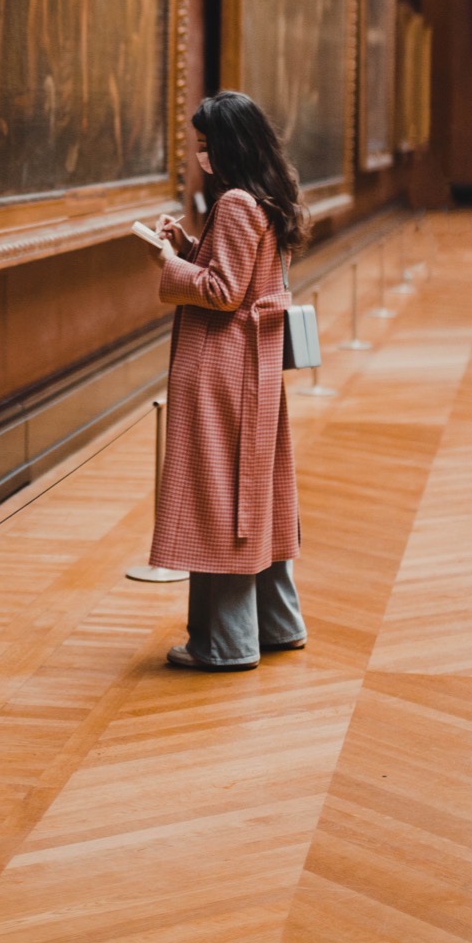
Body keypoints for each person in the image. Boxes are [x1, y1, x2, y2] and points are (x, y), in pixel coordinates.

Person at [145, 90, 311, 671]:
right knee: (254, 492)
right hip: (253, 365)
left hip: (223, 366)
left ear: (230, 146)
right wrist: (187, 246)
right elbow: (236, 269)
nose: (202, 157)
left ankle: (225, 642)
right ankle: (276, 624)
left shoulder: (237, 203)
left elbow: (221, 291)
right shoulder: (264, 198)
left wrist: (169, 267)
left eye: (208, 146)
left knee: (217, 495)